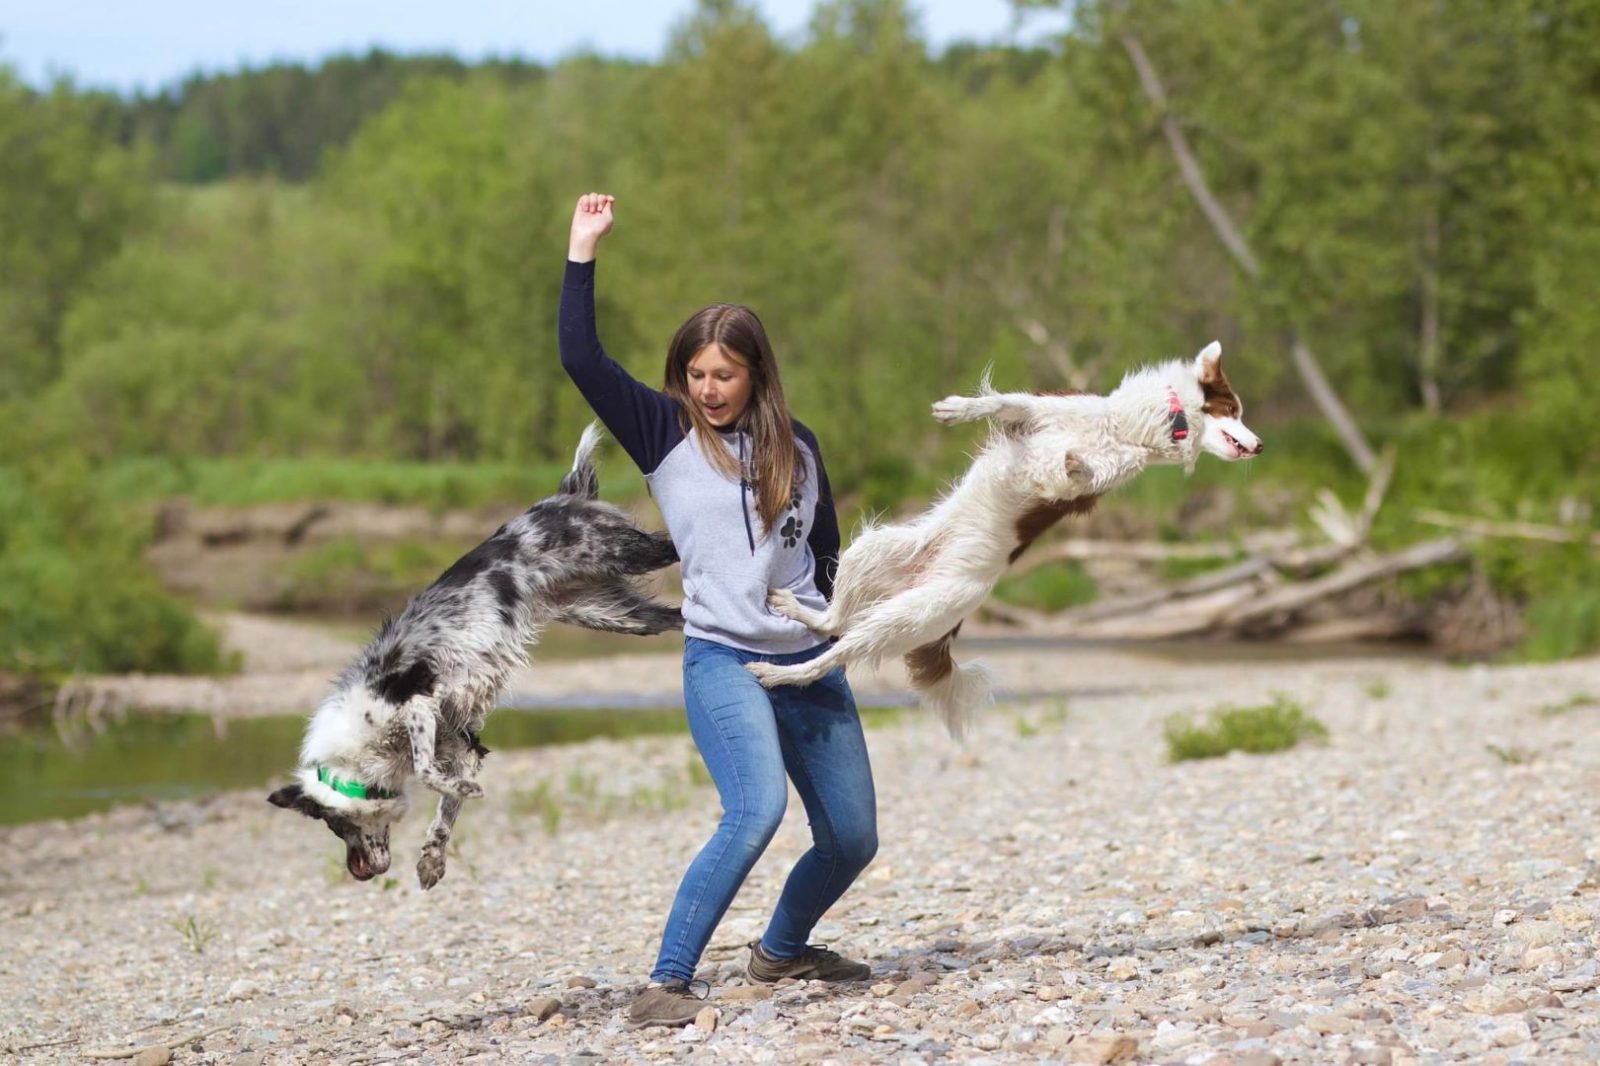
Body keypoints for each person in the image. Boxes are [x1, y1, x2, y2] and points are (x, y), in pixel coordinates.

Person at [560, 192, 879, 1028]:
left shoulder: (799, 445)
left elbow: (828, 550)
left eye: (723, 376)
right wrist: (582, 252)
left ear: (755, 375)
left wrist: (847, 626)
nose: (707, 390)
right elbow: (580, 358)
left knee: (852, 839)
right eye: (696, 375)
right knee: (756, 810)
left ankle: (779, 951)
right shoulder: (662, 431)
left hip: (806, 661)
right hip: (724, 661)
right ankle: (667, 980)